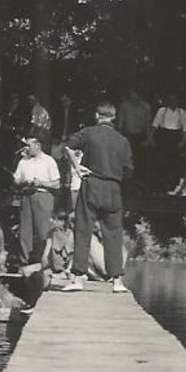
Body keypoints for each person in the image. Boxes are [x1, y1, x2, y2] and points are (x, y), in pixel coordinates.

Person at [62, 99, 134, 293]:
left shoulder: (89, 132)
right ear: (114, 118)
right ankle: (117, 281)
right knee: (113, 234)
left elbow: (67, 145)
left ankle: (77, 277)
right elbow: (128, 171)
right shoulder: (123, 140)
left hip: (92, 184)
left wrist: (77, 168)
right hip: (113, 188)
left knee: (83, 230)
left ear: (97, 116)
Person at [12, 135, 61, 273]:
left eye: (29, 146)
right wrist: (22, 182)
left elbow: (57, 184)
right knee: (25, 232)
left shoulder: (48, 161)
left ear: (37, 146)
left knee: (43, 231)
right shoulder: (23, 161)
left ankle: (44, 263)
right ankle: (25, 262)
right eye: (26, 146)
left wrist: (41, 183)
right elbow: (16, 179)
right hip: (26, 195)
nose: (26, 148)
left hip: (43, 195)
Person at [151, 93, 186, 190]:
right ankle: (161, 184)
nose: (172, 103)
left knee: (174, 162)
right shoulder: (162, 111)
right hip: (164, 136)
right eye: (170, 100)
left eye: (174, 100)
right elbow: (155, 125)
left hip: (175, 137)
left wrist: (183, 141)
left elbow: (185, 128)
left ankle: (173, 184)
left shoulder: (182, 112)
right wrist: (151, 139)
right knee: (161, 160)